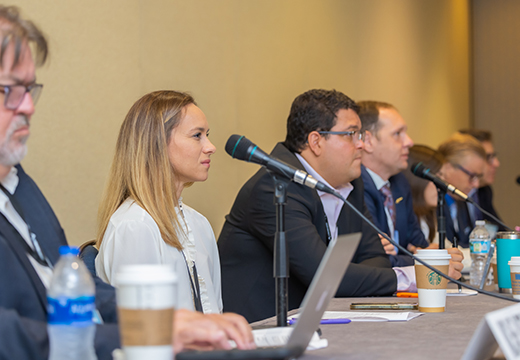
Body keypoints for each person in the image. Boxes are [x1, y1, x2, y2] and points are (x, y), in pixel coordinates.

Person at [0, 6, 253, 359]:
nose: (29, 106)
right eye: (10, 89)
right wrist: (151, 331)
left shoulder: (21, 189)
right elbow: (8, 336)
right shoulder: (133, 224)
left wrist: (169, 322)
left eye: (30, 89)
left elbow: (87, 295)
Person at [218, 89, 463, 323]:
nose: (361, 144)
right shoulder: (275, 187)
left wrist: (351, 275)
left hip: (322, 321)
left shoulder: (348, 182)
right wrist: (411, 275)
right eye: (351, 134)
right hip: (259, 332)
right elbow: (324, 275)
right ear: (316, 141)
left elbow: (374, 258)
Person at [95, 91, 222, 314]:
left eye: (207, 135)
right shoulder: (135, 226)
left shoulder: (200, 224)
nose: (210, 146)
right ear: (157, 144)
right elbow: (141, 332)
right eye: (197, 136)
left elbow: (215, 311)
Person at [357, 101, 429, 267]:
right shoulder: (356, 186)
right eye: (397, 134)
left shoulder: (399, 182)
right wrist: (424, 260)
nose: (409, 142)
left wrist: (430, 255)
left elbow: (419, 243)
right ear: (368, 141)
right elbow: (377, 259)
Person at [438, 133, 487, 248]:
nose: (476, 184)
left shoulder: (460, 199)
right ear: (448, 168)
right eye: (472, 176)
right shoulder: (431, 203)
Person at [458, 129, 503, 230]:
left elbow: (499, 230)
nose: (496, 163)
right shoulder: (456, 193)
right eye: (488, 157)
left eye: (494, 156)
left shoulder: (484, 191)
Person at [402, 144, 446, 246]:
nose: (442, 184)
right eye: (436, 178)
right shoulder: (403, 218)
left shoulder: (427, 215)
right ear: (417, 179)